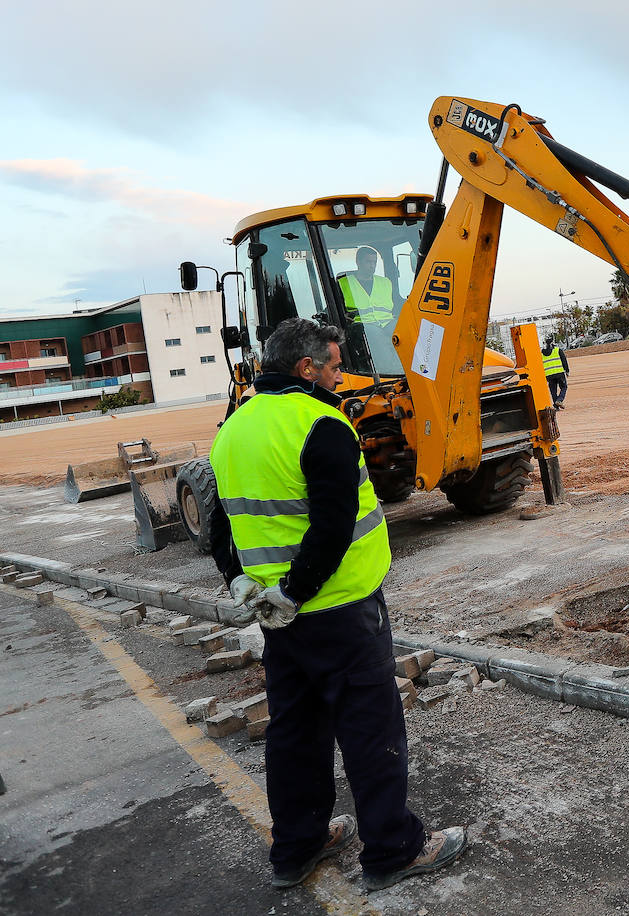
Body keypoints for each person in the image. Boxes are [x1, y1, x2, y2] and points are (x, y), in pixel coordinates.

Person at [207, 317, 466, 893]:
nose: (340, 373)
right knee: (370, 728)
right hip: (342, 609)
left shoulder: (233, 429)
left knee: (295, 731)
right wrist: (296, 592)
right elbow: (331, 529)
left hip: (280, 620)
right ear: (306, 369)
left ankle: (297, 847)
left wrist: (242, 585)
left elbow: (220, 527)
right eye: (333, 364)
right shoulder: (321, 424)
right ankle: (393, 849)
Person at [339, 246, 396, 326]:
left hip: (387, 323)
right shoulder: (343, 283)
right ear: (358, 262)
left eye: (374, 262)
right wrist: (342, 317)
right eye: (368, 262)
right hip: (362, 325)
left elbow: (397, 304)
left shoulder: (386, 282)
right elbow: (335, 308)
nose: (372, 266)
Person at [542, 337, 569, 409]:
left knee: (553, 390)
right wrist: (567, 370)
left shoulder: (541, 353)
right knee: (564, 387)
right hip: (559, 373)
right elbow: (564, 360)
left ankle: (556, 406)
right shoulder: (557, 350)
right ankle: (559, 400)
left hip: (549, 375)